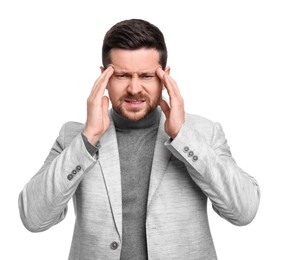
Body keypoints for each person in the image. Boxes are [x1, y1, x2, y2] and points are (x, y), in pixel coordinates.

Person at [19, 19, 260, 260]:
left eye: (146, 76)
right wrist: (88, 138)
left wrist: (182, 136)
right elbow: (33, 218)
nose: (134, 88)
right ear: (104, 78)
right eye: (122, 75)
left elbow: (244, 211)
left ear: (164, 77)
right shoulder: (73, 137)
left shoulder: (203, 133)